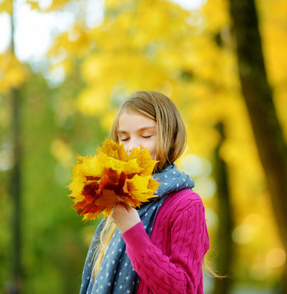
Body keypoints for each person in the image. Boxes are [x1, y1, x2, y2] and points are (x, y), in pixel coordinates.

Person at [79, 91, 210, 294]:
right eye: (124, 138)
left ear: (172, 139)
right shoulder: (119, 201)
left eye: (146, 135)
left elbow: (183, 288)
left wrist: (133, 232)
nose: (132, 147)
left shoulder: (186, 204)